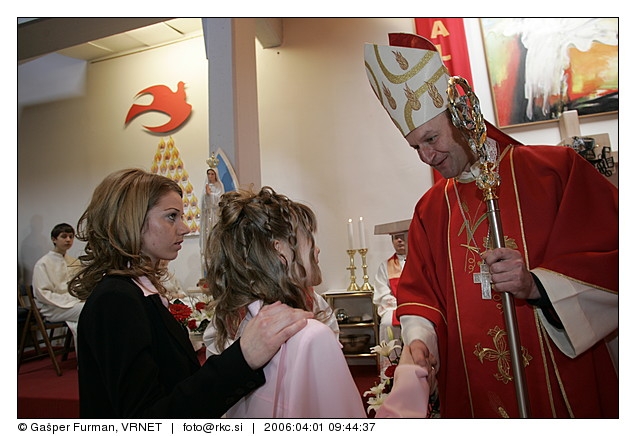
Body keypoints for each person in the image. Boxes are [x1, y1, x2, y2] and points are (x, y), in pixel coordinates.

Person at [364, 33, 618, 418]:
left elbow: (612, 260)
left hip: (562, 383)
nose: (426, 156)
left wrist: (536, 286)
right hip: (474, 392)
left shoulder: (555, 173)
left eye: (431, 138)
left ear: (461, 115)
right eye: (416, 147)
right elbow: (422, 296)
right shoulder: (431, 210)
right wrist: (419, 341)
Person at [68, 168, 313, 418]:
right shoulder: (115, 300)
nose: (184, 228)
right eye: (171, 216)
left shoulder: (138, 293)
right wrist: (243, 356)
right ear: (131, 220)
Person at [202, 186, 432, 418]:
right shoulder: (311, 336)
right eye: (308, 237)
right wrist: (410, 379)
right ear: (279, 250)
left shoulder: (246, 324)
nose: (318, 249)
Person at [32, 223, 84, 345]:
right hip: (53, 308)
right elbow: (42, 293)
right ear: (54, 239)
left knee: (96, 307)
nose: (68, 240)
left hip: (73, 303)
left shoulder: (74, 262)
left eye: (71, 236)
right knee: (88, 310)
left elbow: (80, 285)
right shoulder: (43, 263)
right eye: (64, 236)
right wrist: (68, 300)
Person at [373, 222, 409, 371]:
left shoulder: (420, 262)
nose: (399, 240)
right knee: (387, 323)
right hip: (394, 307)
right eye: (395, 238)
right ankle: (390, 371)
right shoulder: (385, 266)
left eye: (402, 237)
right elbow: (382, 293)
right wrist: (400, 304)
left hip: (416, 306)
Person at [199, 166, 225, 274]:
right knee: (208, 237)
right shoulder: (206, 186)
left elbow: (220, 201)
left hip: (216, 215)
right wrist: (206, 195)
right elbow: (203, 203)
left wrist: (210, 195)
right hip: (208, 217)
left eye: (212, 174)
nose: (210, 176)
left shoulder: (219, 186)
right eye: (208, 174)